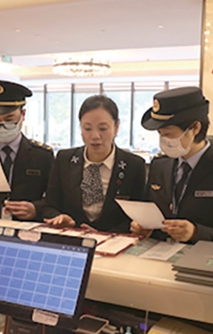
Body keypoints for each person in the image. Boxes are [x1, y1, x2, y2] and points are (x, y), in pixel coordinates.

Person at [131, 86, 213, 243]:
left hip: (203, 256)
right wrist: (144, 227)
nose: (163, 140)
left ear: (195, 128)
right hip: (158, 253)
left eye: (168, 134)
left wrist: (195, 233)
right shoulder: (160, 165)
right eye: (159, 134)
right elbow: (150, 213)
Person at [41, 95, 146, 232]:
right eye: (87, 128)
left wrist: (103, 234)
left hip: (115, 240)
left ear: (116, 127)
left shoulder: (134, 165)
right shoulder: (64, 159)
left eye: (103, 129)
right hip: (73, 236)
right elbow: (49, 205)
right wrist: (58, 218)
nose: (95, 136)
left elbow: (137, 216)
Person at [0, 80, 54, 221]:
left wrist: (36, 209)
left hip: (25, 227)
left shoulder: (42, 155)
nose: (2, 125)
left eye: (9, 118)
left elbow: (55, 198)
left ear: (23, 114)